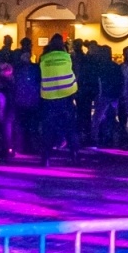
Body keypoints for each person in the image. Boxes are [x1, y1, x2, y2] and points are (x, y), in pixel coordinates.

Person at [37, 33, 79, 163]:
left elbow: (40, 76)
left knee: (48, 128)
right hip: (66, 97)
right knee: (70, 128)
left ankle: (46, 158)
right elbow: (75, 72)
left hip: (49, 97)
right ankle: (74, 156)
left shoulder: (43, 58)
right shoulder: (68, 57)